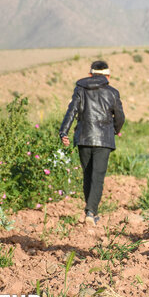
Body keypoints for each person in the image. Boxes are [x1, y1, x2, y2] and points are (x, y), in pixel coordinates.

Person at [60, 60, 125, 225]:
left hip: (83, 137)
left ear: (90, 74)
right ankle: (91, 212)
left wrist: (64, 132)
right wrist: (116, 130)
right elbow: (120, 116)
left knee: (87, 175)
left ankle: (89, 210)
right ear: (108, 76)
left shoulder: (80, 90)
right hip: (104, 140)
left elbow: (72, 111)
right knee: (98, 177)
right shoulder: (112, 92)